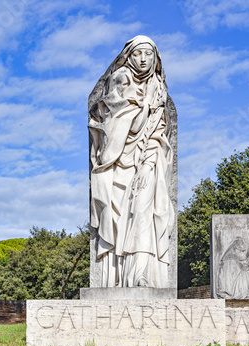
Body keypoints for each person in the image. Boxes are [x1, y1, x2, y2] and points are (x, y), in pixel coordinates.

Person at [89, 35, 174, 288]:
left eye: (149, 54)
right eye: (138, 53)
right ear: (129, 56)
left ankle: (140, 275)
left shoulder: (159, 88)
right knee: (116, 220)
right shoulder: (120, 80)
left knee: (144, 211)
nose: (144, 59)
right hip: (117, 162)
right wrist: (141, 108)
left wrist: (149, 160)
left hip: (149, 158)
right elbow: (111, 119)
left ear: (155, 58)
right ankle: (114, 277)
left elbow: (160, 131)